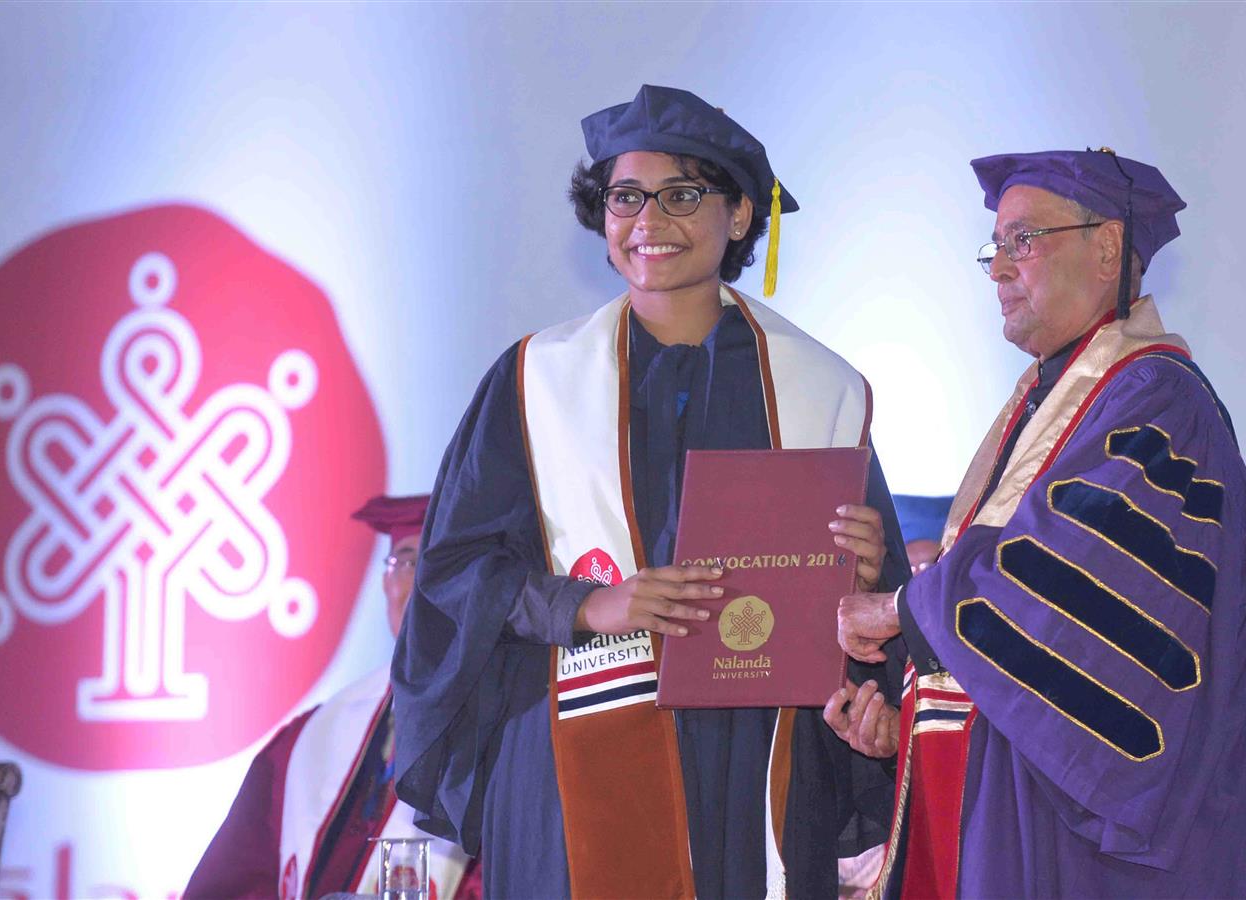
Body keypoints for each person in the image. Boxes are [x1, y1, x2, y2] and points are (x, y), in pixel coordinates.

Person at [390, 84, 910, 899]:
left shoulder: (823, 387)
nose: (647, 222)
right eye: (625, 197)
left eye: (681, 196)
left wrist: (868, 572)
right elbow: (454, 574)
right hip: (579, 746)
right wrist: (589, 606)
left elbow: (877, 617)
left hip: (761, 753)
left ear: (738, 216)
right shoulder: (535, 381)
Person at [829, 149, 1246, 897]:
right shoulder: (1048, 401)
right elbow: (1033, 655)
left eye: (1024, 240)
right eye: (995, 246)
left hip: (1107, 860)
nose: (998, 267)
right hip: (1020, 816)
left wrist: (902, 607)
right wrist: (912, 716)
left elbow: (1069, 595)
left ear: (1107, 244)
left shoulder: (1158, 405)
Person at [186, 495, 478, 900]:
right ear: (386, 584)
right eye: (406, 561)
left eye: (440, 562)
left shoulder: (508, 735)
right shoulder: (305, 741)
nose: (420, 582)